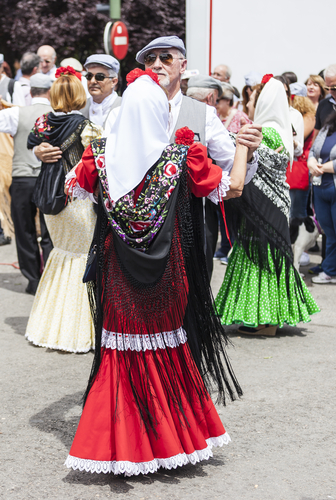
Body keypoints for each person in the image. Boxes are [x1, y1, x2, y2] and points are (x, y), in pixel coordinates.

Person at [64, 69, 249, 476]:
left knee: (121, 350)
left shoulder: (99, 158)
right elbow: (231, 187)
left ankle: (121, 442)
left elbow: (71, 189)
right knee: (169, 347)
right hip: (169, 270)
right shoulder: (184, 157)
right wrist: (243, 150)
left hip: (118, 272)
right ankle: (173, 438)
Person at [135, 36, 262, 277]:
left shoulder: (203, 114)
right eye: (150, 59)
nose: (157, 64)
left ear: (182, 66)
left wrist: (248, 152)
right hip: (136, 234)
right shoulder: (126, 111)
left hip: (186, 233)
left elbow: (234, 173)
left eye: (166, 57)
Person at [215, 75, 319, 335]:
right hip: (276, 206)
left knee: (260, 258)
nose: (251, 102)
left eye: (255, 99)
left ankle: (266, 323)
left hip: (263, 209)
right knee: (270, 258)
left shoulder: (266, 132)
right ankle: (267, 319)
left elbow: (239, 152)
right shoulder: (282, 131)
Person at [25, 67, 103, 351]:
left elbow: (32, 144)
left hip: (49, 197)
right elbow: (98, 164)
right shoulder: (86, 127)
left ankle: (48, 323)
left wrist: (39, 151)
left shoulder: (43, 122)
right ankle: (79, 330)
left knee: (60, 254)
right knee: (82, 257)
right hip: (76, 199)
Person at [0, 73, 53, 294]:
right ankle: (51, 277)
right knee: (50, 230)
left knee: (24, 229)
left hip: (22, 178)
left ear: (30, 92)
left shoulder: (15, 113)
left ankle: (33, 279)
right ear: (50, 92)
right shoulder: (58, 115)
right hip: (49, 179)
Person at [33, 54, 121, 164]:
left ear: (114, 81)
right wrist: (37, 151)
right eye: (89, 76)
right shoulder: (77, 108)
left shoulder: (123, 107)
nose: (93, 81)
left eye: (99, 77)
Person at [308, 110, 336, 284]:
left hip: (332, 186)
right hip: (320, 188)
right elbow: (312, 150)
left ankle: (329, 270)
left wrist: (323, 167)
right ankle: (330, 271)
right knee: (329, 232)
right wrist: (311, 162)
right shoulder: (327, 128)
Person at [314, 64, 336, 139]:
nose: (330, 91)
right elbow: (316, 134)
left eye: (334, 88)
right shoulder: (323, 104)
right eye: (327, 88)